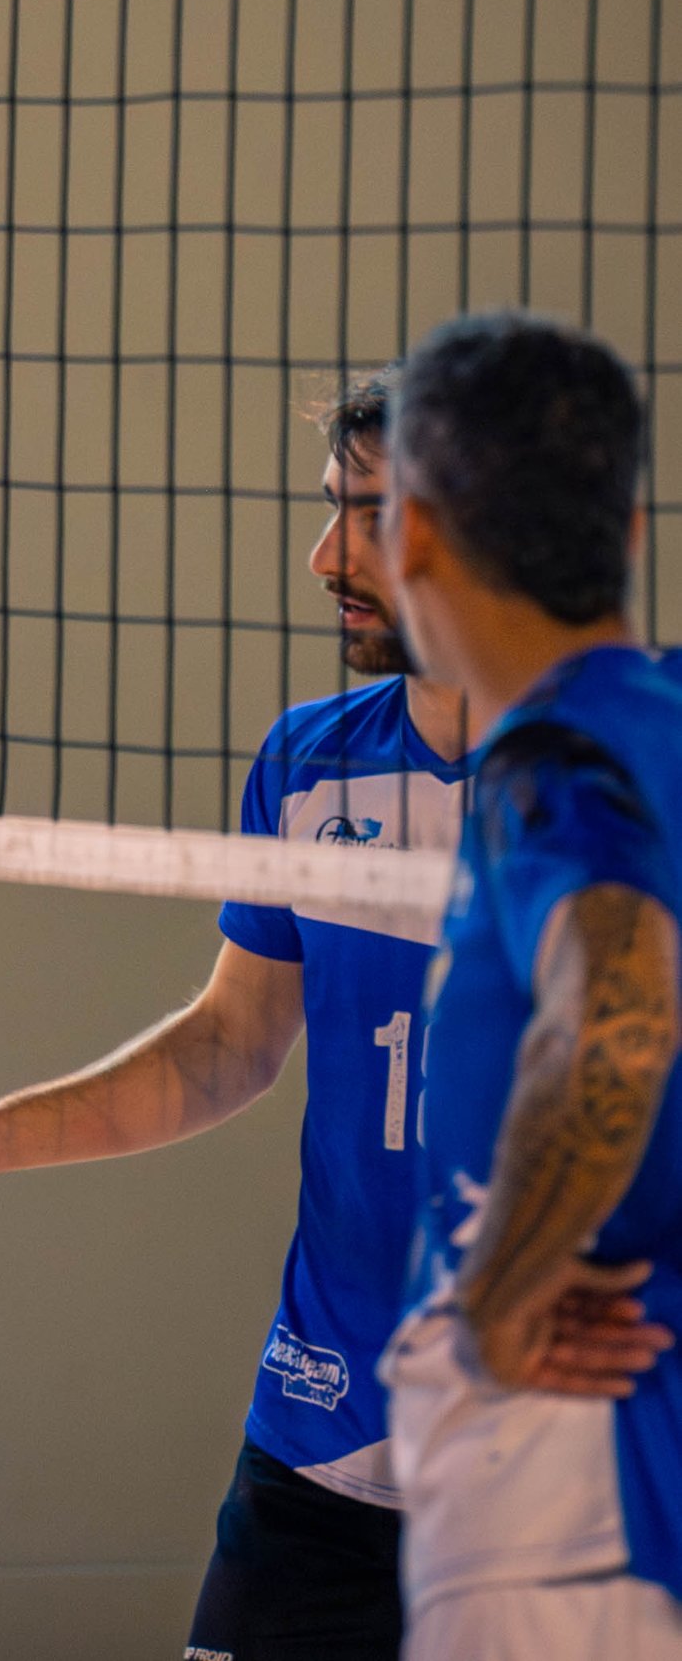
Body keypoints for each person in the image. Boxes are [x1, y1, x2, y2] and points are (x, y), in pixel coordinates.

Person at [0, 370, 468, 1661]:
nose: (324, 557)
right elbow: (230, 1041)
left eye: (369, 517)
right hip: (325, 1440)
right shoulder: (311, 762)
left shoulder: (638, 777)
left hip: (579, 1461)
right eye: (329, 507)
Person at [378, 311, 682, 1658]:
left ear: (412, 533)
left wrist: (501, 1301)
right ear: (628, 535)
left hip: (570, 1484)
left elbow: (617, 1013)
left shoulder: (552, 758)